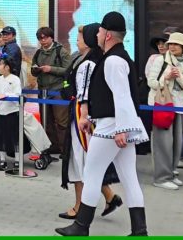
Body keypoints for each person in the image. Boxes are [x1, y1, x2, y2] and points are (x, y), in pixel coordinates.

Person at [56, 12, 148, 236]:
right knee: (129, 178)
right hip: (117, 125)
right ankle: (139, 230)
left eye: (99, 31)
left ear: (107, 35)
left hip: (112, 127)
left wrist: (121, 129)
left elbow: (121, 96)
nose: (96, 34)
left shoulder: (113, 60)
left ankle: (81, 226)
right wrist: (92, 117)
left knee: (92, 173)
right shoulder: (118, 58)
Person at [59, 24, 122, 220]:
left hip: (82, 118)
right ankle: (109, 197)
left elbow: (82, 93)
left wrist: (83, 114)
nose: (76, 42)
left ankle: (81, 207)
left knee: (80, 161)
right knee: (87, 161)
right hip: (90, 117)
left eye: (79, 38)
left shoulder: (87, 64)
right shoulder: (95, 59)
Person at [147, 32, 183, 190]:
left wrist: (180, 77)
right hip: (163, 105)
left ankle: (171, 173)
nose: (172, 46)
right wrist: (167, 77)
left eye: (176, 44)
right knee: (163, 142)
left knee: (177, 143)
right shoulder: (160, 60)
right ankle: (161, 178)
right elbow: (152, 82)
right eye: (171, 44)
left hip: (181, 108)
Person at [31, 26, 72, 156]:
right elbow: (33, 69)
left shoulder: (61, 51)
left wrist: (51, 69)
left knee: (61, 122)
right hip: (43, 91)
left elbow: (68, 70)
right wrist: (35, 70)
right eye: (40, 38)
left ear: (51, 37)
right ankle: (52, 146)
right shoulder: (38, 53)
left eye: (45, 38)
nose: (42, 41)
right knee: (46, 121)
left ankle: (65, 149)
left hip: (58, 90)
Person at [0, 57, 21, 173]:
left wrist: (7, 95)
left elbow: (17, 94)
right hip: (0, 112)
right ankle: (3, 160)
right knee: (1, 137)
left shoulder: (15, 79)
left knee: (15, 137)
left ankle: (17, 160)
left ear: (7, 67)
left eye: (0, 64)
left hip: (12, 112)